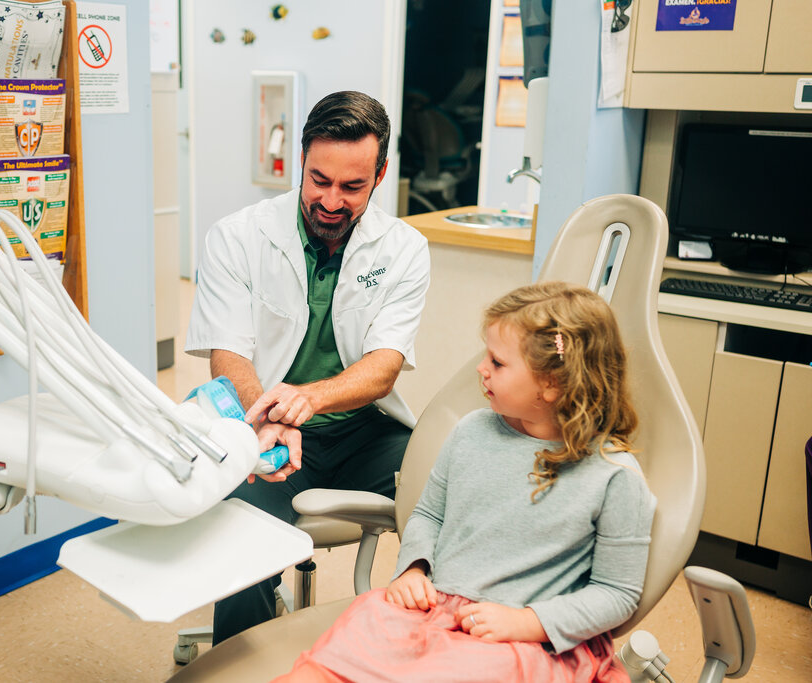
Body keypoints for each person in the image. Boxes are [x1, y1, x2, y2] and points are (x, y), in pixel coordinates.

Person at [275, 282, 656, 682]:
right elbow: (428, 514)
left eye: (497, 361)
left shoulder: (614, 476)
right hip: (435, 611)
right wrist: (414, 570)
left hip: (521, 639)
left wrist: (525, 622)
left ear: (552, 384)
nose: (481, 368)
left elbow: (617, 594)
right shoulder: (472, 432)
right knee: (350, 637)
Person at [185, 90, 431, 644]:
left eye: (352, 187)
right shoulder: (237, 237)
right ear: (302, 159)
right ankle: (237, 668)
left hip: (366, 433)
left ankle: (439, 649)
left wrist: (307, 399)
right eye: (319, 180)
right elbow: (229, 354)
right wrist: (268, 419)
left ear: (381, 173)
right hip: (269, 431)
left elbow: (384, 367)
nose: (331, 201)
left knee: (458, 483)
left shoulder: (405, 248)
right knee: (240, 539)